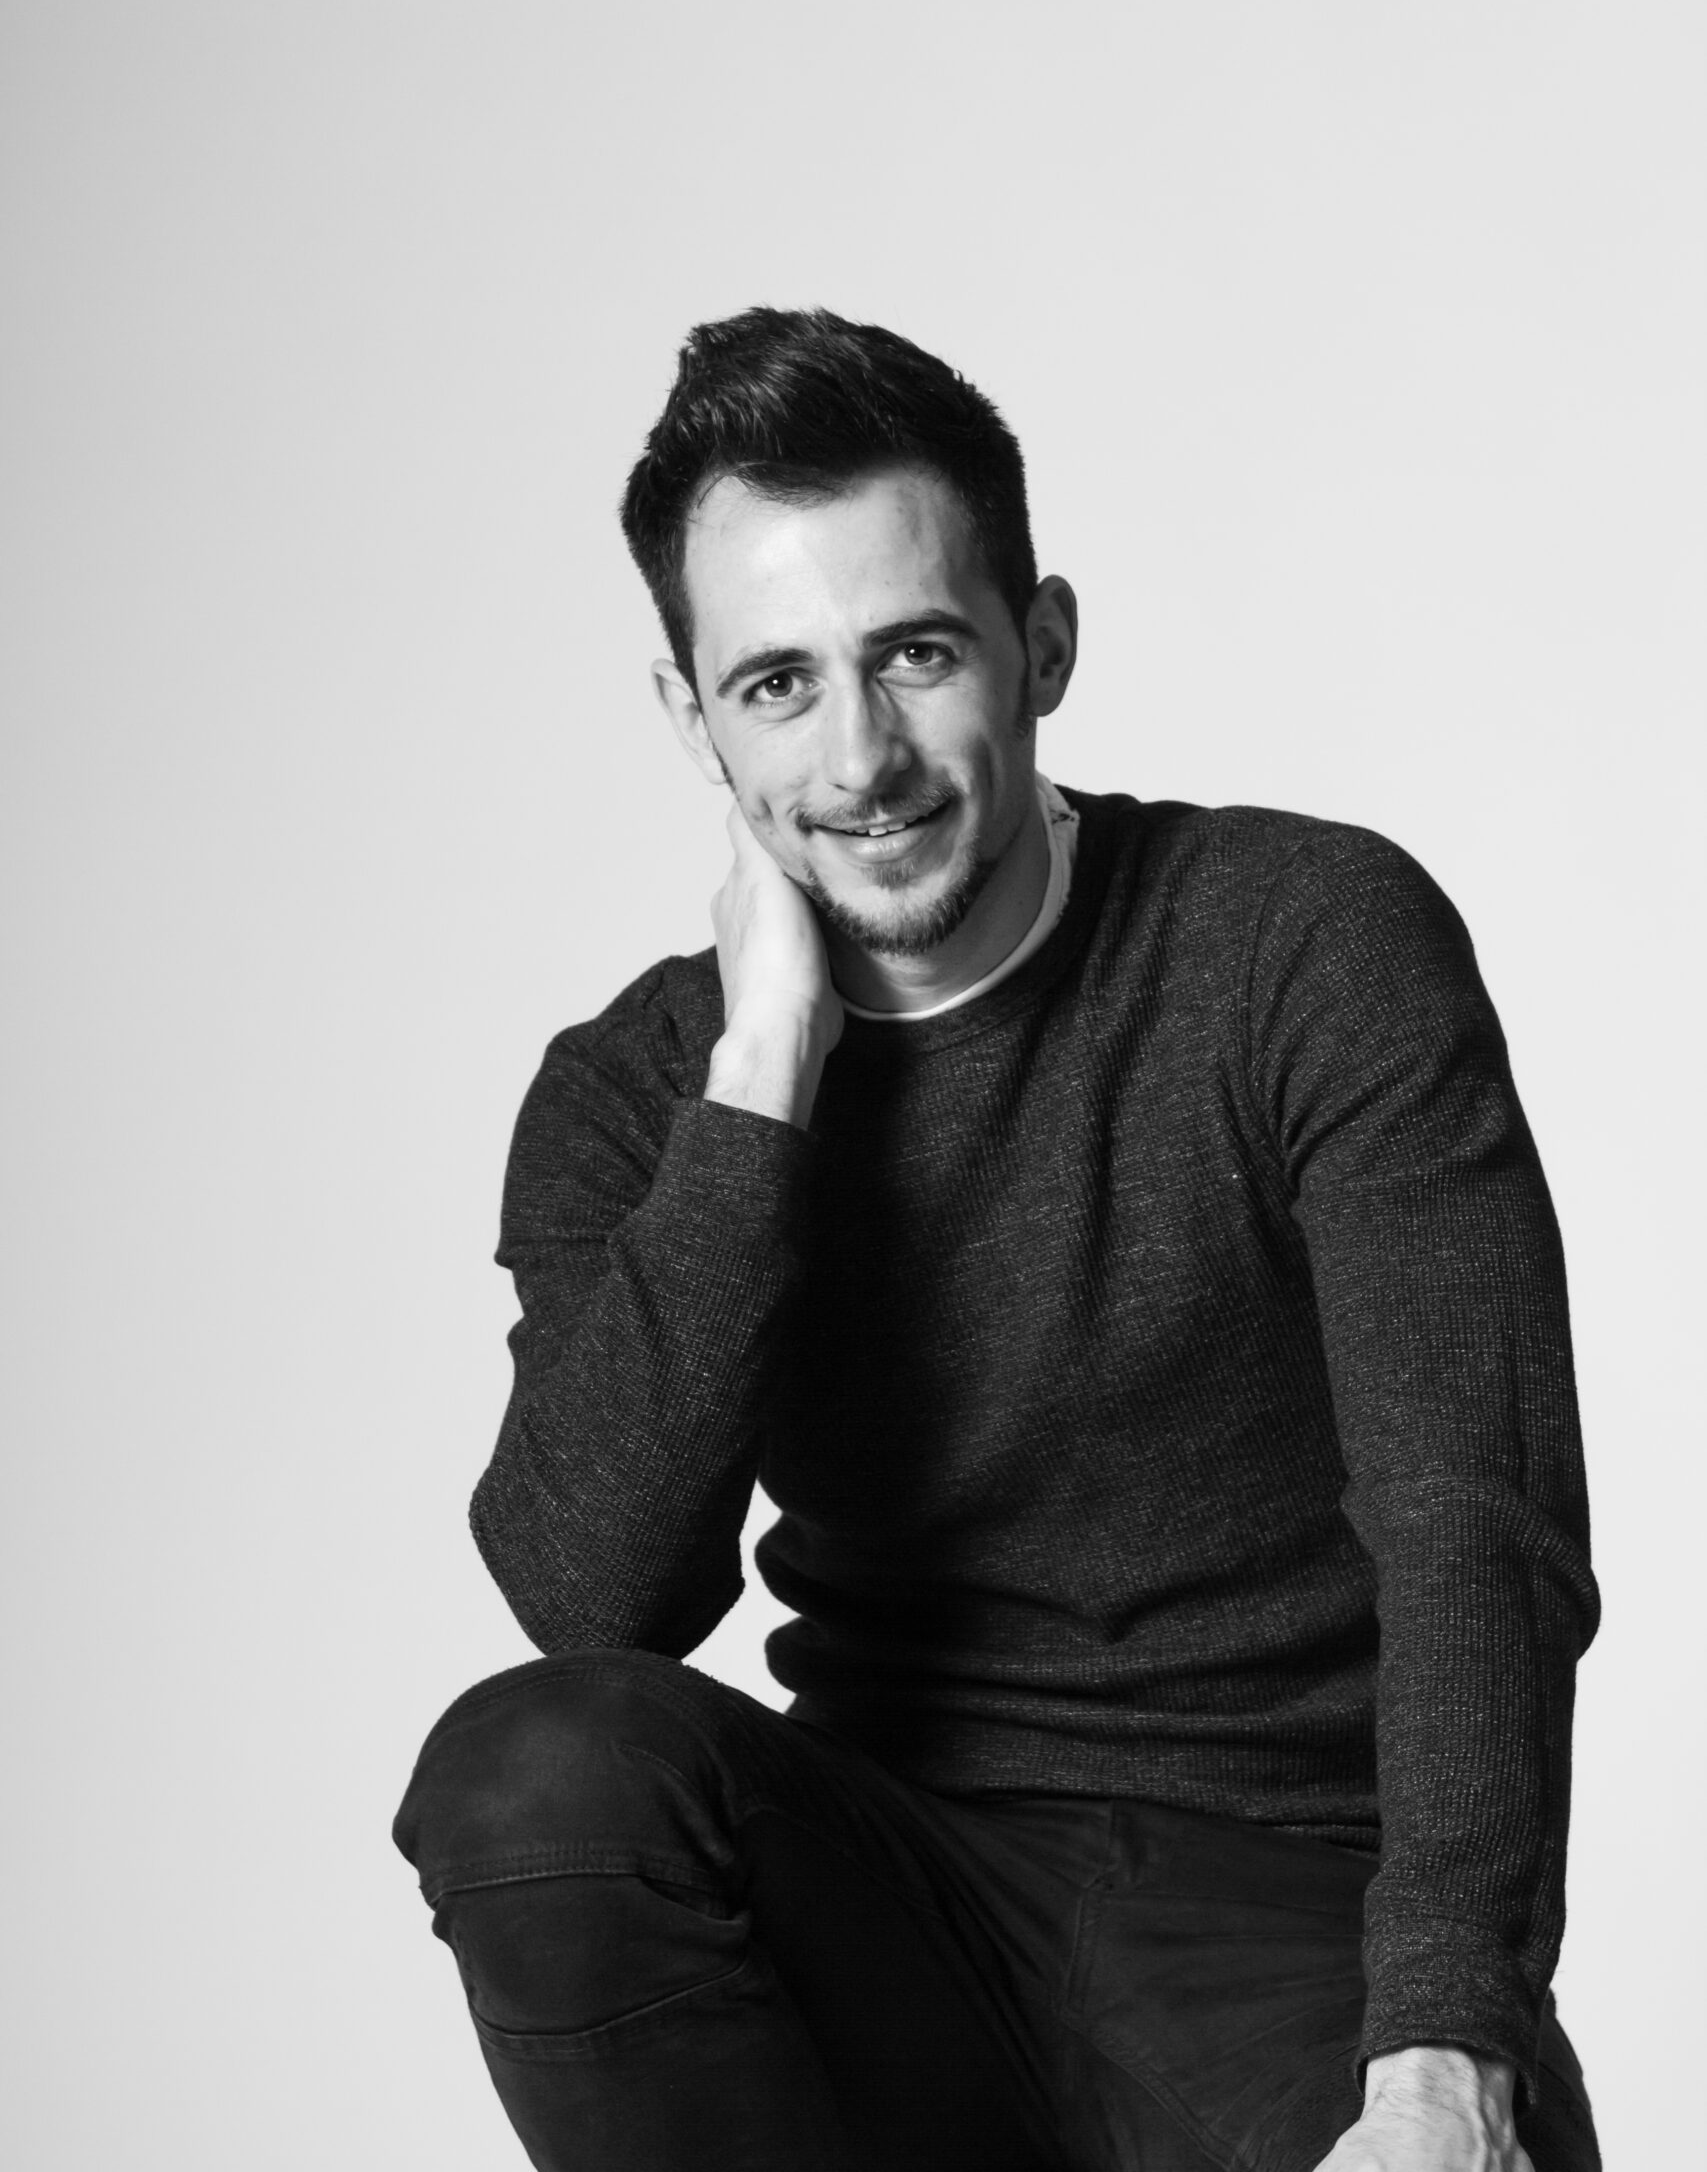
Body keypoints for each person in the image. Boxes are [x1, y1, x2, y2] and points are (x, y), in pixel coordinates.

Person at [393, 308, 1601, 2172]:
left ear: (1042, 644)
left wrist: (1446, 2055)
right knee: (531, 1769)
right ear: (692, 718)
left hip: (1295, 1908)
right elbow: (596, 1606)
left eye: (916, 652)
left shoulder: (1302, 942)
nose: (860, 755)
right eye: (777, 684)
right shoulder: (644, 1093)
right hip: (898, 1904)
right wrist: (766, 1078)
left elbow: (1476, 1531)